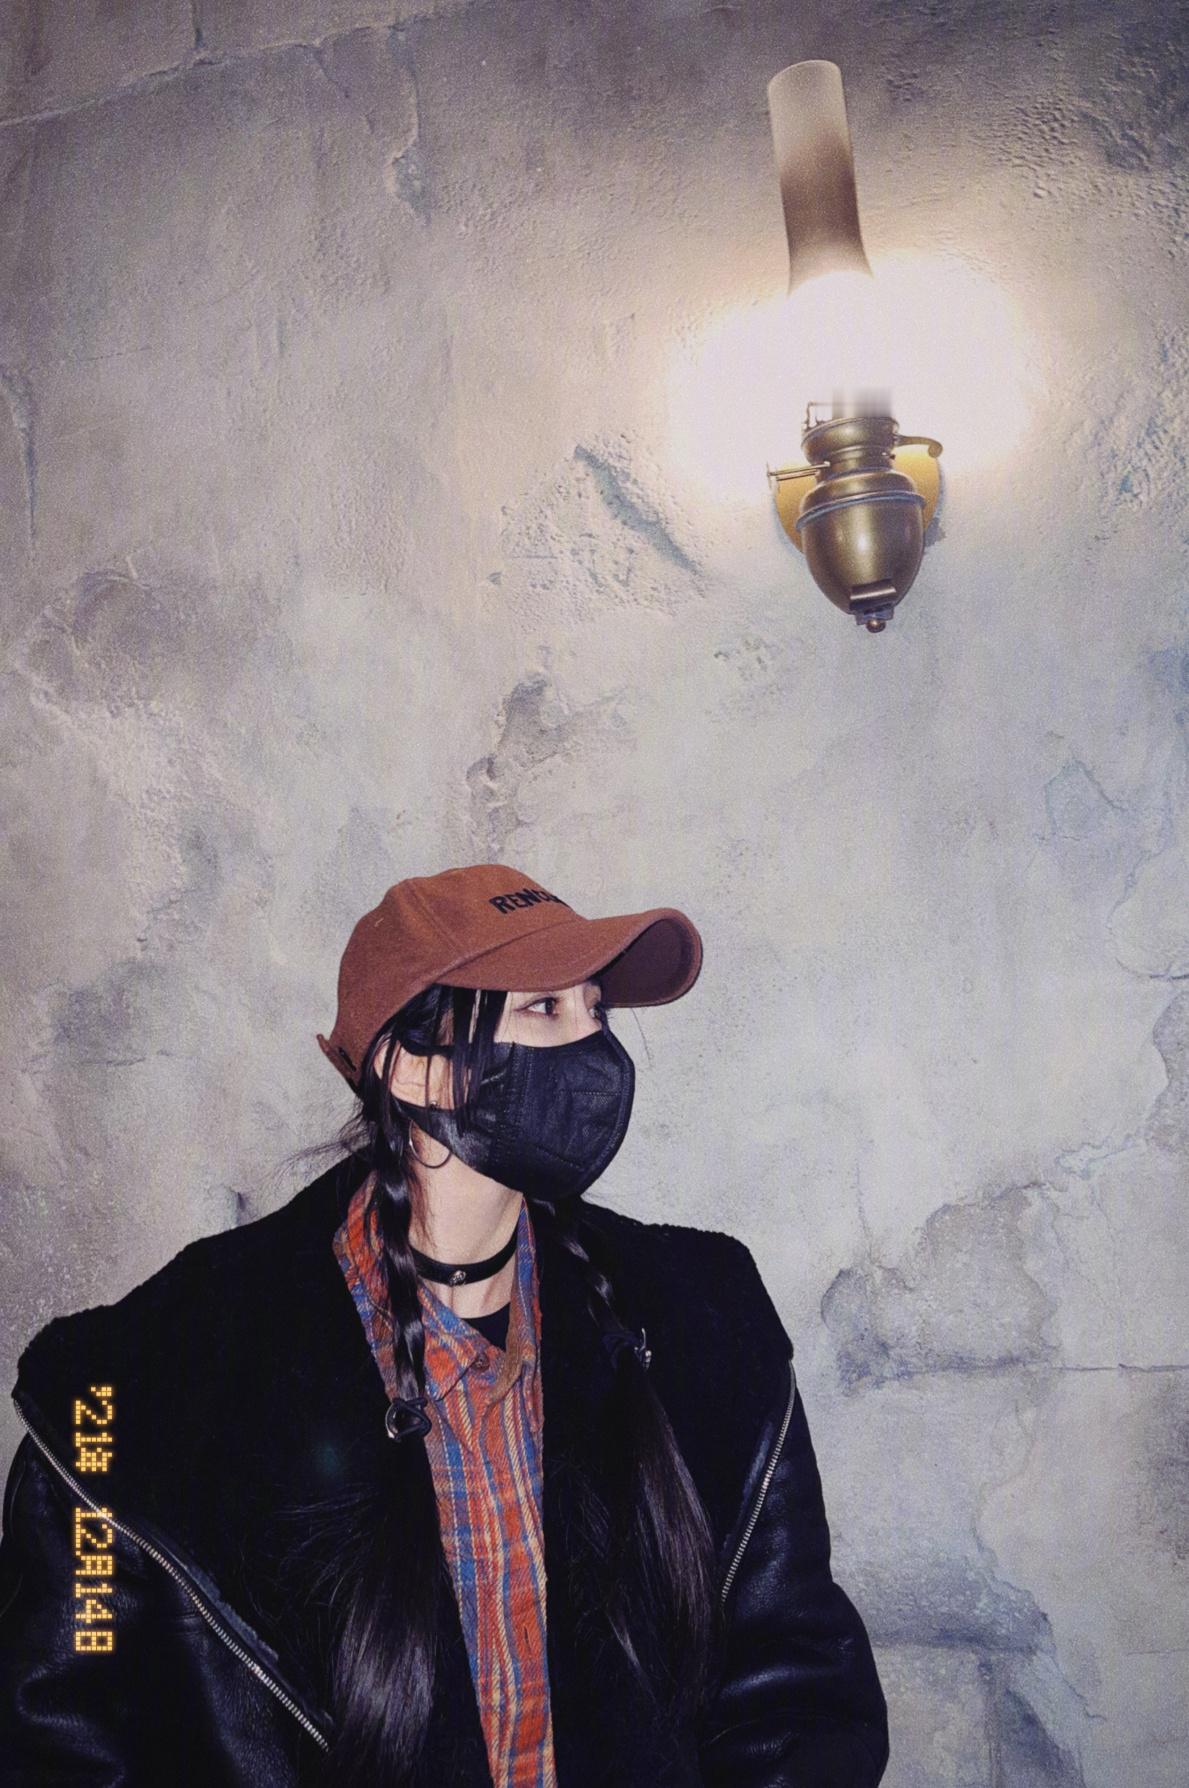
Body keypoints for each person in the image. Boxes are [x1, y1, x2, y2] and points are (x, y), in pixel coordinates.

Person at [0, 862, 889, 1786]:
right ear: (408, 1063)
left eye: (595, 1009)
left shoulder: (704, 1321)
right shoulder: (118, 1397)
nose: (592, 1046)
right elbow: (62, 1732)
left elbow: (797, 1693)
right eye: (544, 1009)